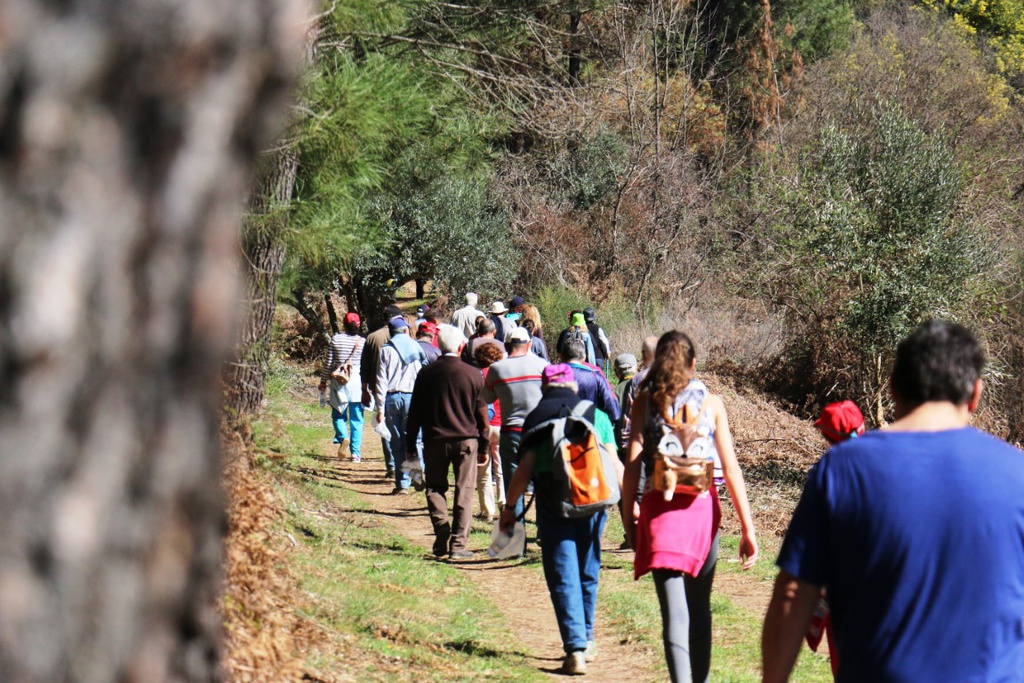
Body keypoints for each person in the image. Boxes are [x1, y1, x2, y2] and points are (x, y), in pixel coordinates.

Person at [762, 320, 1024, 683]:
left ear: (893, 389)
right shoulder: (1017, 474)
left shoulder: (843, 468)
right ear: (975, 394)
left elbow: (794, 593)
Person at [622, 331, 758, 683]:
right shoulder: (712, 404)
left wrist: (628, 515)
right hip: (702, 513)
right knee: (700, 609)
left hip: (658, 511)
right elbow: (730, 469)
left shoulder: (644, 400)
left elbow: (633, 463)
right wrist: (747, 528)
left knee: (674, 615)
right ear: (693, 364)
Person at [499, 364, 614, 675]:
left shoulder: (536, 418)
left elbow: (523, 471)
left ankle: (575, 647)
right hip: (592, 502)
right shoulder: (595, 415)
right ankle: (587, 639)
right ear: (573, 387)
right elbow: (612, 461)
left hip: (553, 503)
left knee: (563, 573)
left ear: (545, 387)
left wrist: (510, 509)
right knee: (588, 569)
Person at [406, 327, 488, 560]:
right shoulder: (473, 375)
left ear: (437, 345)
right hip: (466, 441)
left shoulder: (426, 374)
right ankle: (458, 545)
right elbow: (482, 416)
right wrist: (484, 446)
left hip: (434, 440)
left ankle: (442, 526)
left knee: (434, 487)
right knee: (465, 490)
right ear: (461, 347)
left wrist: (410, 444)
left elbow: (415, 413)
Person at [802, 400, 865, 678]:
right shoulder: (885, 464)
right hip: (878, 577)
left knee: (841, 657)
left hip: (839, 582)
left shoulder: (827, 472)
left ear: (827, 436)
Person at [482, 327, 549, 518]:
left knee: (513, 488)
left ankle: (517, 539)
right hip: (539, 431)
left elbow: (486, 398)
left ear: (506, 345)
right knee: (543, 485)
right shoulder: (542, 365)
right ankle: (542, 531)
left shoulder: (496, 369)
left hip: (510, 432)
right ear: (529, 344)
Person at [374, 315, 426, 494]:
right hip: (413, 398)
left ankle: (402, 484)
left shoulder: (386, 350)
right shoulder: (416, 347)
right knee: (414, 439)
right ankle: (417, 475)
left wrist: (379, 408)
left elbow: (381, 381)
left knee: (396, 442)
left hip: (392, 399)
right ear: (405, 330)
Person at [361, 304, 403, 479]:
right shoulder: (407, 336)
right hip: (403, 386)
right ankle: (406, 468)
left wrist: (364, 388)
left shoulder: (372, 337)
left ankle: (392, 465)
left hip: (379, 387)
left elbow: (365, 366)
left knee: (384, 424)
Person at [318, 312, 365, 461]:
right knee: (357, 418)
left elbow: (328, 363)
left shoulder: (336, 339)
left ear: (344, 324)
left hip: (340, 379)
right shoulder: (363, 341)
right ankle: (355, 454)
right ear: (359, 325)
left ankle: (344, 437)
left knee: (338, 414)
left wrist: (323, 381)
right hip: (357, 379)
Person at [474, 342, 508, 522]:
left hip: (484, 427)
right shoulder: (502, 374)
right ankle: (504, 502)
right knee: (500, 466)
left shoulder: (477, 375)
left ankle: (487, 511)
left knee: (484, 471)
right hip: (501, 424)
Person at [563, 338, 621, 424]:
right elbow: (612, 408)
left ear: (562, 357)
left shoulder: (552, 376)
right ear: (584, 357)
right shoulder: (595, 376)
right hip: (589, 427)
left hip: (559, 429)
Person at [583, 307, 612, 375]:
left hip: (585, 358)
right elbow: (604, 341)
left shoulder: (581, 329)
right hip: (597, 357)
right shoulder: (597, 328)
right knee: (599, 376)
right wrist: (607, 352)